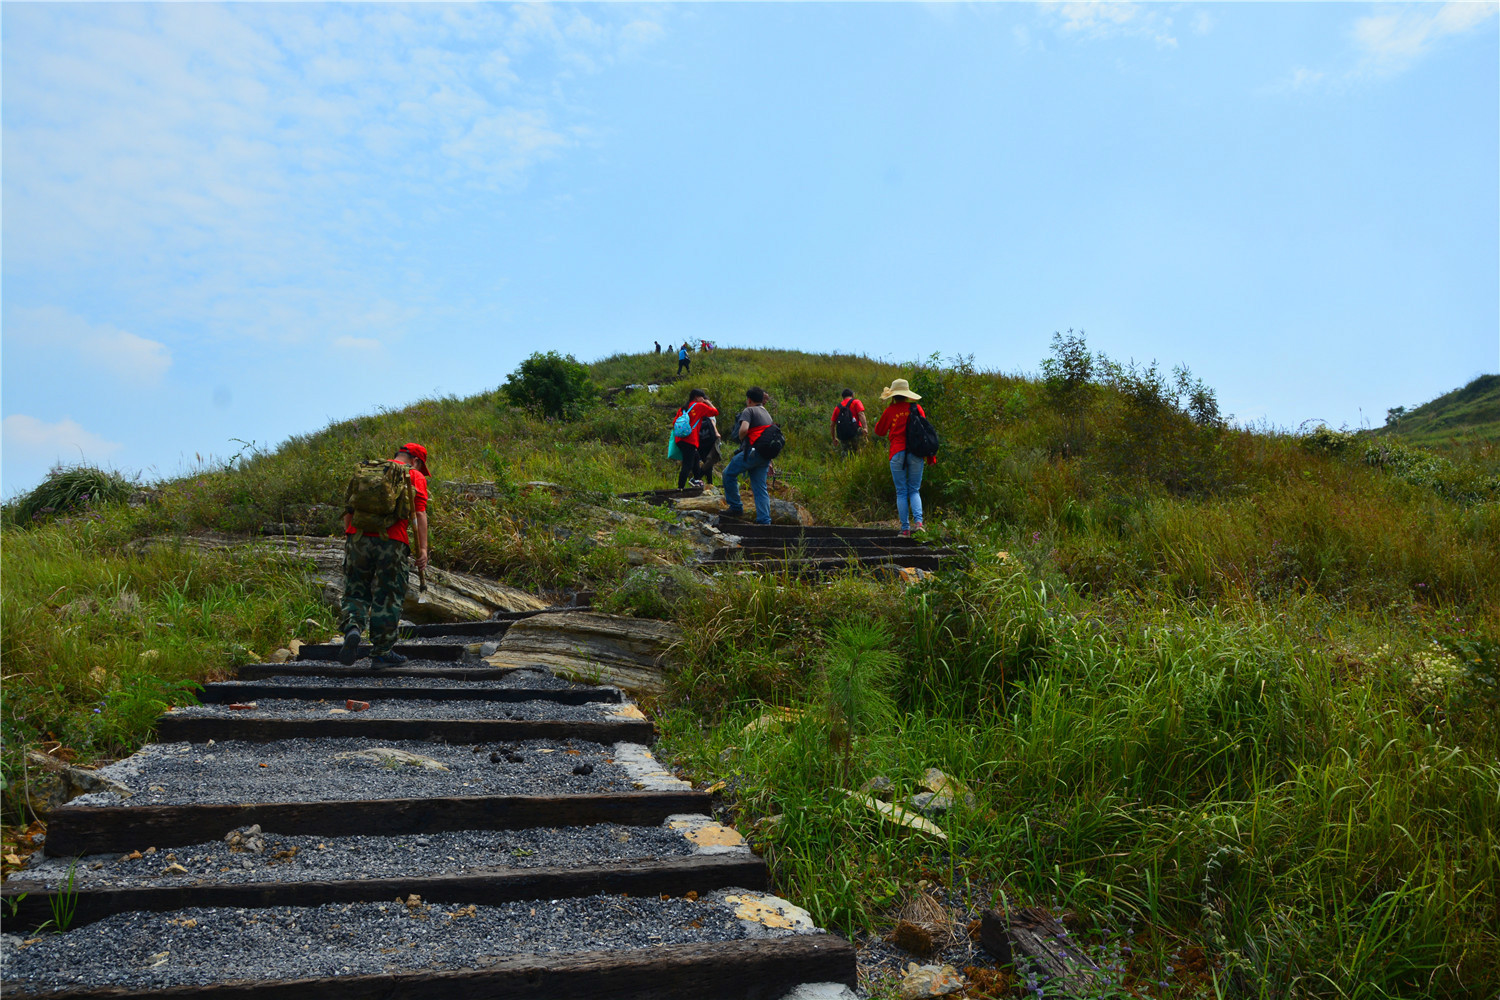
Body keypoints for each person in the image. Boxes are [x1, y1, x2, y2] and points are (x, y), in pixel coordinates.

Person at [339, 443, 430, 667]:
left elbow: (348, 510)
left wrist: (350, 538)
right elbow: (418, 515)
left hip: (357, 538)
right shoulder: (414, 475)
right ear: (416, 461)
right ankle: (381, 652)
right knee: (388, 596)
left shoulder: (368, 471)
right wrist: (423, 550)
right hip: (393, 542)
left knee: (355, 590)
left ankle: (353, 626)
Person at [873, 379, 935, 536]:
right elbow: (925, 431)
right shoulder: (917, 408)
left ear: (893, 395)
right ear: (907, 395)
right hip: (916, 452)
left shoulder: (890, 411)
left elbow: (879, 431)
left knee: (901, 491)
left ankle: (905, 528)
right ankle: (919, 523)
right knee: (914, 490)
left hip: (897, 452)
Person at [721, 386, 774, 524]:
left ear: (749, 399)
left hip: (751, 452)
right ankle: (764, 521)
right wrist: (770, 462)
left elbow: (744, 429)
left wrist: (741, 436)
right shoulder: (766, 413)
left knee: (728, 474)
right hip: (764, 456)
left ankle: (736, 507)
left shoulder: (748, 410)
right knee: (760, 488)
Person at [672, 389, 718, 490]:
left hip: (680, 439)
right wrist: (708, 403)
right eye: (702, 397)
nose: (703, 399)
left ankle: (697, 480)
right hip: (690, 440)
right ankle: (680, 488)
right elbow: (715, 412)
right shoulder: (699, 406)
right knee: (687, 464)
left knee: (696, 457)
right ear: (697, 397)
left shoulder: (683, 408)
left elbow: (674, 422)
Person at [830, 388, 867, 455]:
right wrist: (865, 428)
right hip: (856, 431)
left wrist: (834, 438)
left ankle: (847, 465)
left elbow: (832, 425)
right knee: (862, 452)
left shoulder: (838, 408)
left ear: (843, 397)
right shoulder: (856, 402)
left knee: (847, 454)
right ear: (852, 395)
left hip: (844, 435)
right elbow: (861, 414)